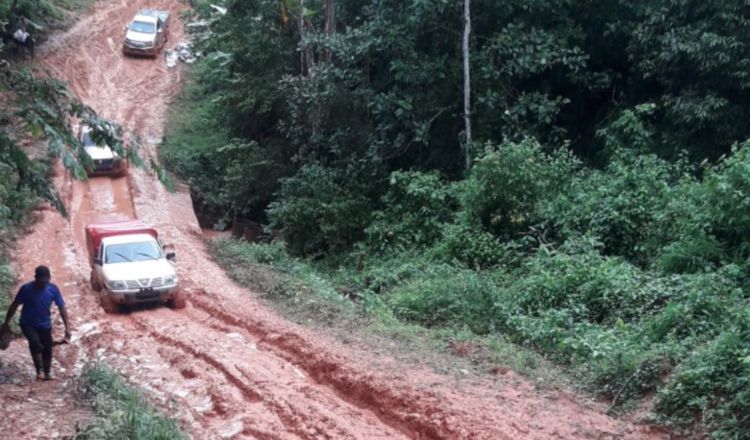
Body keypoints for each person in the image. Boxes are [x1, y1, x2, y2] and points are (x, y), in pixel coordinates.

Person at [1, 266, 71, 380]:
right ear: (35, 278)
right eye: (41, 281)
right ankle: (39, 371)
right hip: (27, 323)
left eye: (45, 281)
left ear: (49, 278)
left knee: (47, 348)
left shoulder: (53, 289)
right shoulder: (26, 289)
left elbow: (62, 308)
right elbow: (15, 305)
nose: (43, 284)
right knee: (35, 342)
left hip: (45, 324)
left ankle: (47, 373)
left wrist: (67, 327)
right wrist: (6, 322)